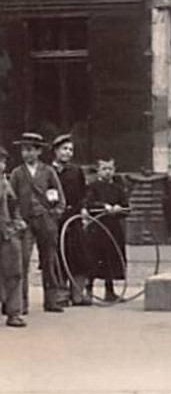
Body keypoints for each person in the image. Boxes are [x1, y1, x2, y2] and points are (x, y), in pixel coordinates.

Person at [9, 132, 65, 314]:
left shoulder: (48, 171)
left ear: (39, 151)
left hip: (46, 221)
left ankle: (52, 301)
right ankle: (21, 304)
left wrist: (55, 213)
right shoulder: (17, 173)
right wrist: (16, 219)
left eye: (31, 150)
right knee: (22, 262)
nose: (27, 154)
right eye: (24, 150)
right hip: (25, 223)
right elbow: (11, 199)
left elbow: (59, 196)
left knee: (49, 261)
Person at [51, 134, 91, 306]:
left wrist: (83, 209)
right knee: (58, 256)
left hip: (73, 219)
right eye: (64, 149)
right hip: (55, 220)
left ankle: (77, 294)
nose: (67, 153)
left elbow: (83, 194)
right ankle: (60, 294)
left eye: (70, 150)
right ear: (55, 151)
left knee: (79, 256)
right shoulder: (48, 171)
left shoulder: (76, 171)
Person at [85, 158, 128, 303]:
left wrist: (119, 209)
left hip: (113, 228)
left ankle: (109, 291)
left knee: (111, 259)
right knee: (93, 259)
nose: (108, 172)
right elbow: (90, 204)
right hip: (97, 228)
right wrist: (104, 206)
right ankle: (88, 290)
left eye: (110, 169)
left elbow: (126, 208)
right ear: (98, 170)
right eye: (104, 169)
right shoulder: (93, 186)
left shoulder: (118, 188)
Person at [0, 144, 26, 327]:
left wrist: (17, 222)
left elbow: (14, 205)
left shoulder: (5, 183)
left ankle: (14, 312)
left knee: (14, 272)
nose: (1, 165)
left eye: (2, 161)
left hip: (8, 233)